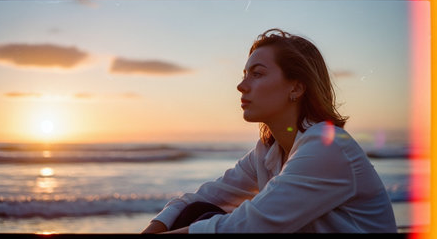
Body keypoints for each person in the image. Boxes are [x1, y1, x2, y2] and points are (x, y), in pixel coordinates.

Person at [141, 28, 397, 233]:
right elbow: (204, 196)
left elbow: (251, 226)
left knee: (206, 221)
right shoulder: (267, 151)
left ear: (296, 88)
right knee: (198, 212)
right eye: (244, 74)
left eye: (257, 74)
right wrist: (155, 227)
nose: (241, 86)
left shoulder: (328, 146)